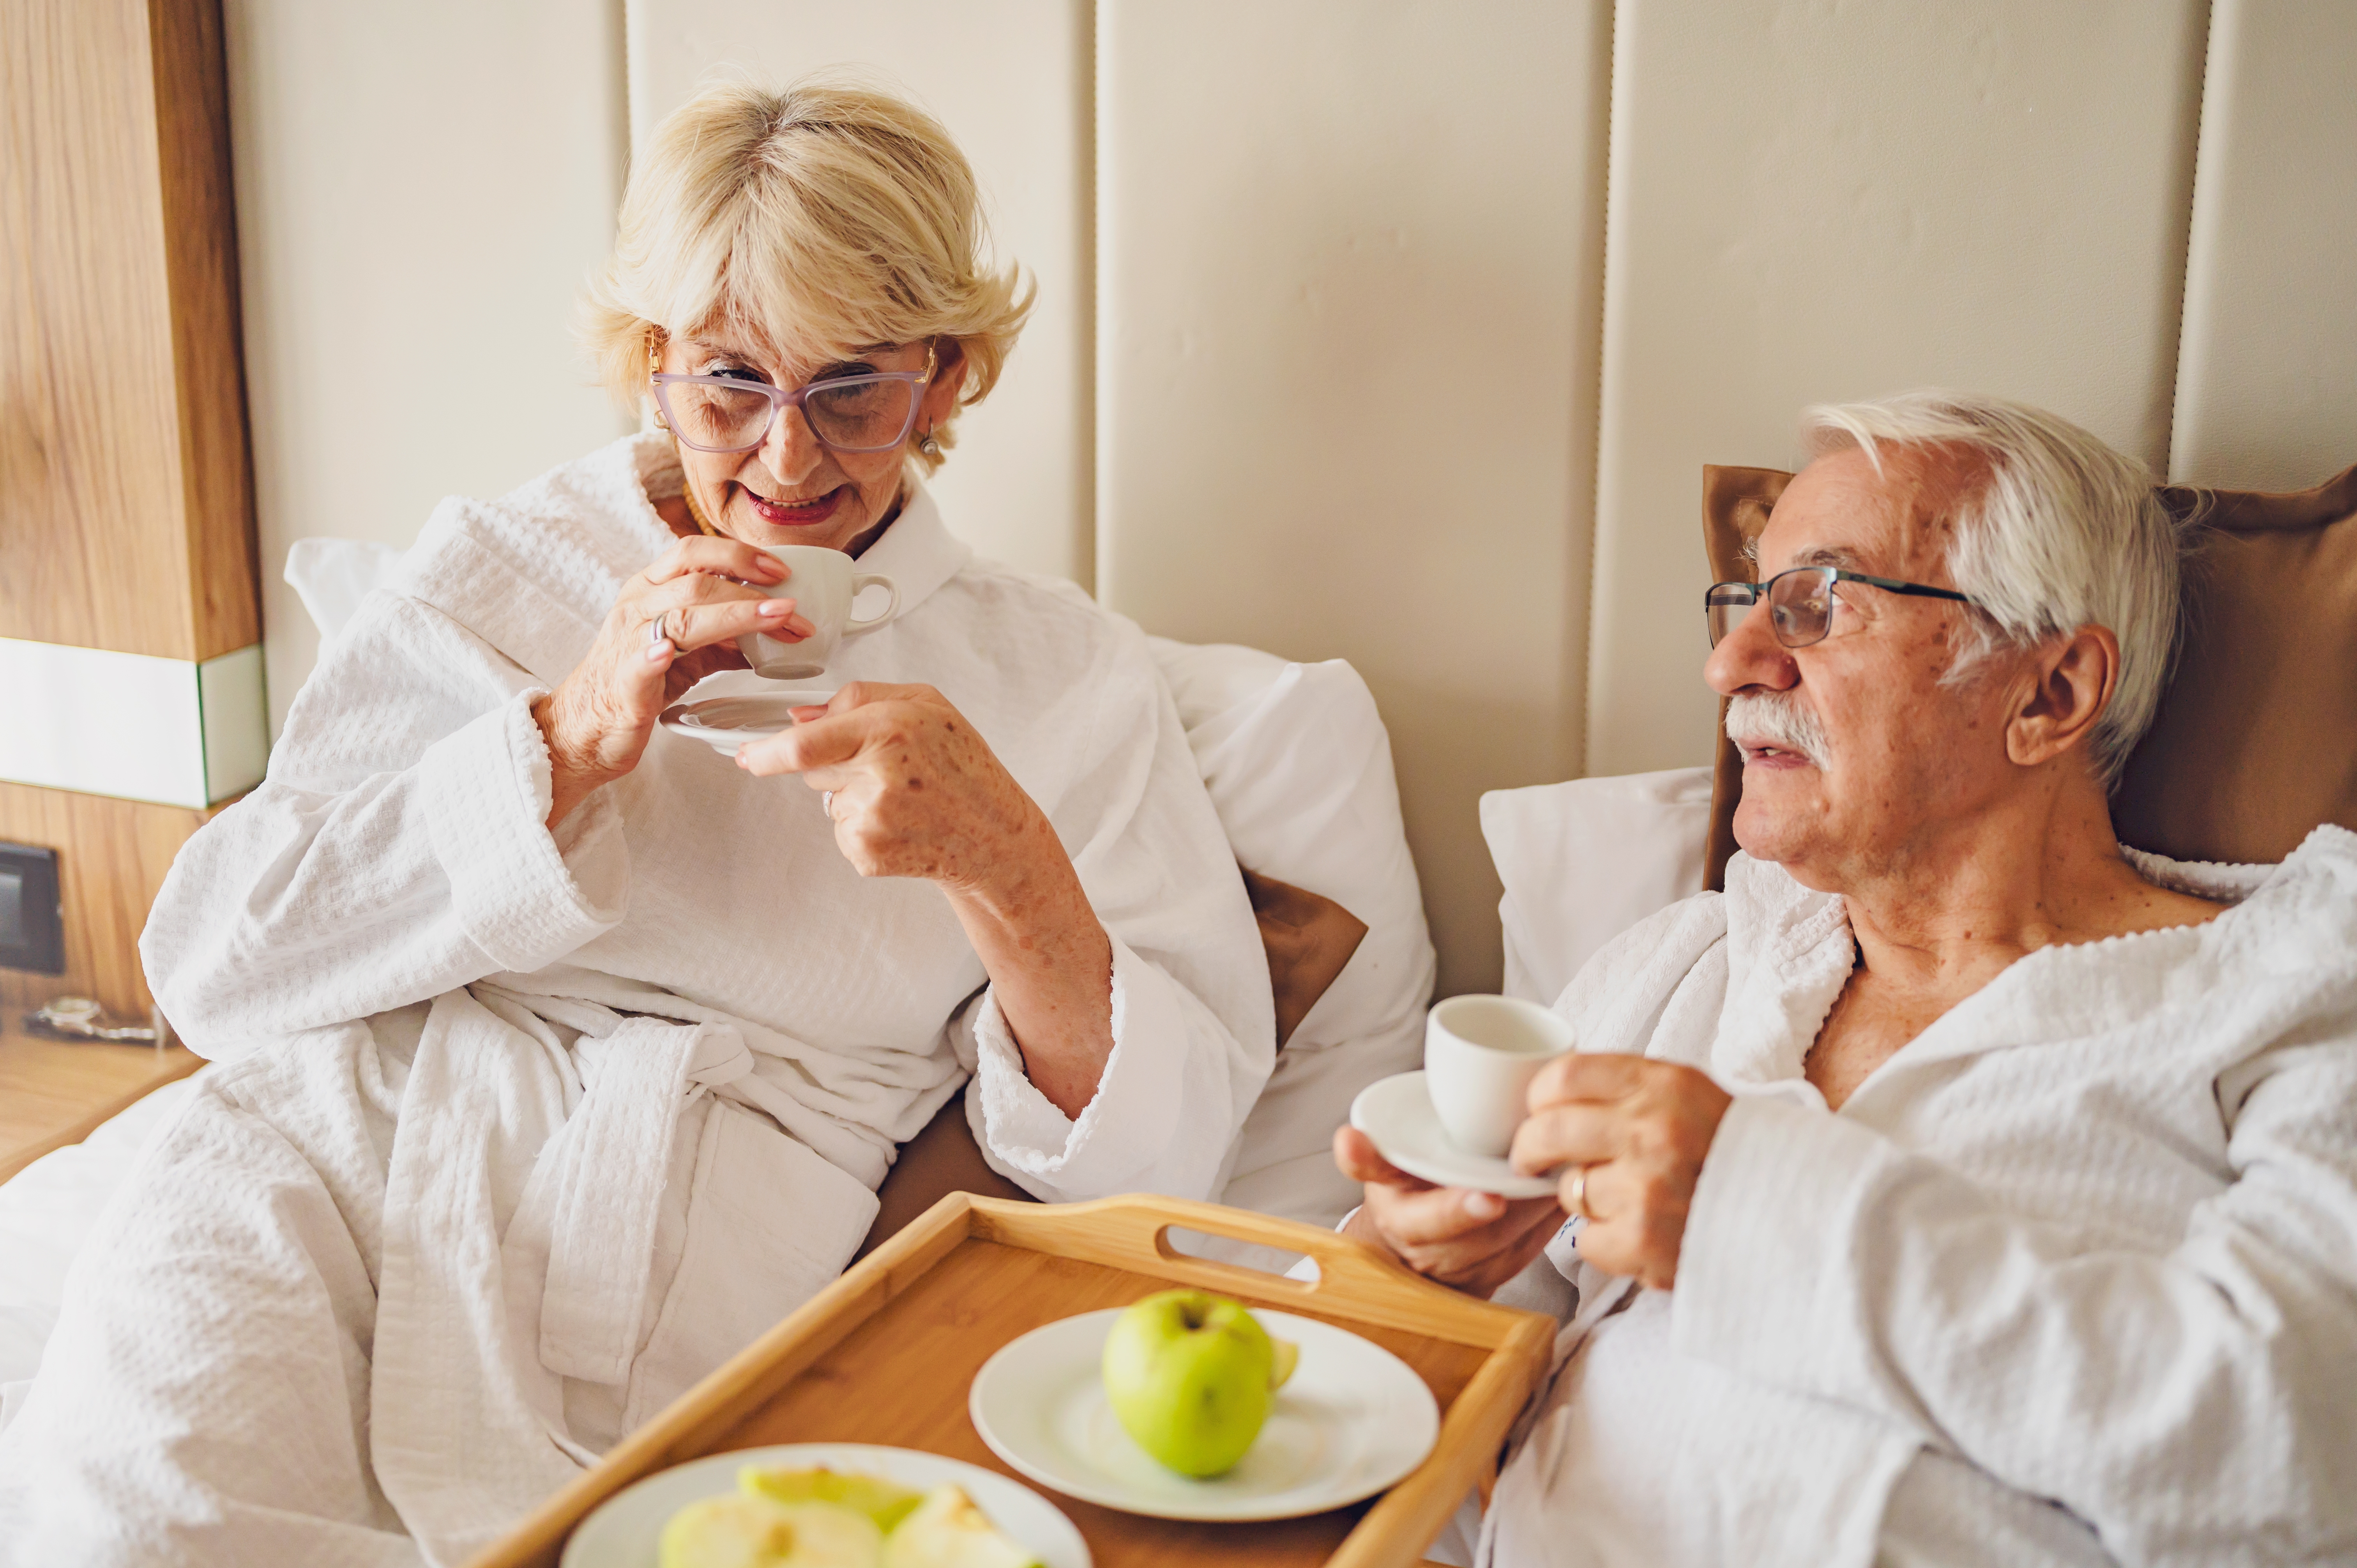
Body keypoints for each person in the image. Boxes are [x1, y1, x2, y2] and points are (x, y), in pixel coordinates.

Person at [0, 78, 1272, 1565]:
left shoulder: (1065, 679)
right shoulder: (506, 568)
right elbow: (214, 969)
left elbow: (1168, 1156)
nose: (789, 463)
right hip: (340, 1160)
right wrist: (563, 738)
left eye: (852, 387)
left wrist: (1007, 867)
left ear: (945, 376)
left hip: (712, 1247)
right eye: (731, 380)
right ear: (653, 365)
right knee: (133, 1532)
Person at [1336, 393, 2357, 1566]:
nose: (1731, 663)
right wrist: (1412, 1259)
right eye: (1745, 603)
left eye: (1818, 605)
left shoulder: (2294, 989)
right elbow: (1425, 1395)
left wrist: (1752, 1215)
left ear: (2050, 693)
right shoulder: (1690, 966)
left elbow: (2303, 1459)